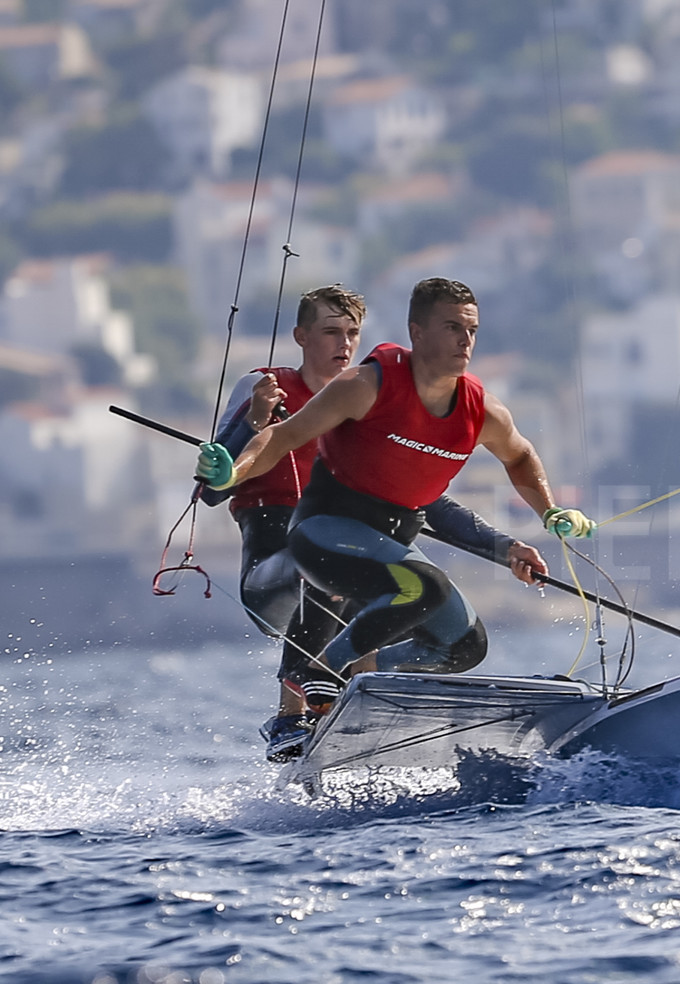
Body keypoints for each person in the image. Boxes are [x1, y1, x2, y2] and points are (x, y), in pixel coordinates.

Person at [196, 277, 591, 752]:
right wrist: (237, 451)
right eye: (330, 332)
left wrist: (522, 535)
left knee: (462, 643)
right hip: (285, 557)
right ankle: (298, 704)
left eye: (351, 333)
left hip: (368, 550)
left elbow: (437, 503)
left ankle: (361, 691)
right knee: (367, 580)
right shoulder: (328, 388)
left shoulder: (465, 411)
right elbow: (231, 477)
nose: (344, 344)